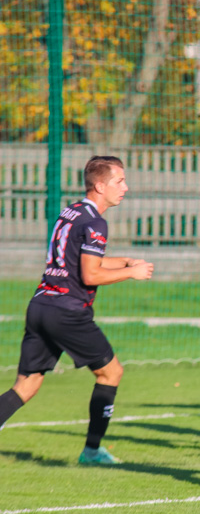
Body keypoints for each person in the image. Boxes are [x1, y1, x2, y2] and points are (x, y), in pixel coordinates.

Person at [0, 156, 154, 465]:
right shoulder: (96, 222)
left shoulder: (71, 212)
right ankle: (92, 451)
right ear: (100, 185)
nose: (125, 187)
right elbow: (90, 275)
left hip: (41, 304)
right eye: (119, 181)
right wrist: (130, 273)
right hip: (67, 311)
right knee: (111, 372)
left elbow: (79, 262)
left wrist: (123, 261)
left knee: (26, 386)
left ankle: (92, 451)